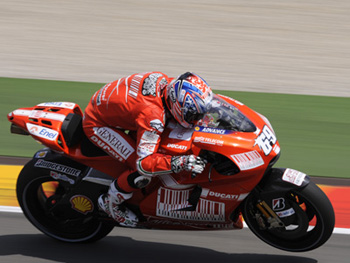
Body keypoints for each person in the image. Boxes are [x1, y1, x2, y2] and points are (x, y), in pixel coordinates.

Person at [83, 71, 213, 226]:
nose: (197, 120)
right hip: (97, 123)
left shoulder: (169, 85)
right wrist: (181, 162)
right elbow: (144, 163)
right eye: (194, 116)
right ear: (178, 107)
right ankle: (110, 203)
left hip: (116, 105)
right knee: (141, 173)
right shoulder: (153, 117)